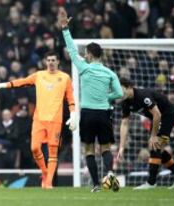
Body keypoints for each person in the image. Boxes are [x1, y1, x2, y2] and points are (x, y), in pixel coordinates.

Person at [0, 50, 77, 189]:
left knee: (53, 152)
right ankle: (45, 173)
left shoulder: (65, 78)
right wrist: (1, 85)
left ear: (58, 62)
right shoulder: (39, 75)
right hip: (39, 119)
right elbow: (21, 82)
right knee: (35, 148)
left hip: (55, 120)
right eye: (49, 60)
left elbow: (71, 99)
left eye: (54, 60)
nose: (51, 63)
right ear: (45, 62)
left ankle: (48, 183)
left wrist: (73, 115)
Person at [58, 8, 123, 192]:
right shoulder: (110, 72)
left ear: (91, 55)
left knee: (88, 150)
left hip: (87, 112)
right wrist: (105, 97)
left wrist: (65, 29)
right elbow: (119, 93)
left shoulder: (84, 68)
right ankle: (109, 172)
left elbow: (71, 49)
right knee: (105, 148)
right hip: (104, 113)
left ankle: (96, 185)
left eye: (86, 53)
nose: (84, 55)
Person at [117, 77, 174, 190]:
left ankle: (151, 183)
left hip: (167, 115)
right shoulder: (125, 102)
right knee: (157, 148)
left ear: (129, 87)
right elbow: (124, 124)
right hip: (157, 118)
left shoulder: (142, 95)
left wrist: (153, 136)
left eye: (120, 89)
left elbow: (157, 114)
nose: (119, 92)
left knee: (155, 146)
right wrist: (121, 147)